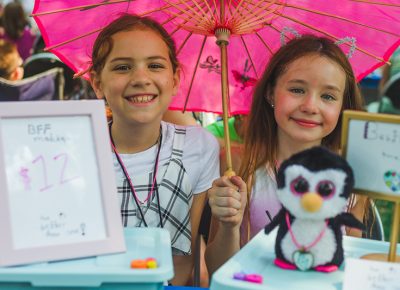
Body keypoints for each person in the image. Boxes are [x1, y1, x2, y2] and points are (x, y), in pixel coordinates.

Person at [205, 35, 367, 275]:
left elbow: (353, 264)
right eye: (297, 90)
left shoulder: (351, 174)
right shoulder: (240, 165)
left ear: (343, 105)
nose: (310, 106)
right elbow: (217, 267)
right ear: (271, 93)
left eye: (328, 96)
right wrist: (230, 227)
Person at [89, 14, 220, 285]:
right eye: (123, 67)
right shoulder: (79, 152)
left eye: (155, 65)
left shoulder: (198, 147)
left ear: (174, 79)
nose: (141, 78)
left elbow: (191, 251)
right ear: (97, 83)